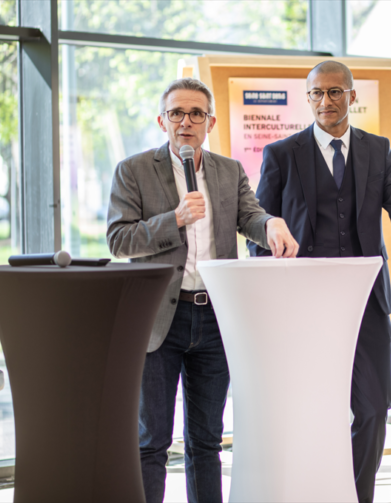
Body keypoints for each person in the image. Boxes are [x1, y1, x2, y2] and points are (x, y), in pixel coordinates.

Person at [248, 60, 391, 503]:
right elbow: (259, 228)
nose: (325, 101)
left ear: (351, 96)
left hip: (366, 301)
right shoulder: (283, 154)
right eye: (316, 94)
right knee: (311, 411)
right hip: (303, 303)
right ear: (308, 99)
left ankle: (355, 495)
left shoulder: (377, 150)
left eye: (334, 92)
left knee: (372, 407)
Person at [107, 77, 298, 503]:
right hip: (159, 320)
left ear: (210, 121)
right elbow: (118, 240)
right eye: (177, 113)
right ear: (163, 120)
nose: (186, 122)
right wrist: (173, 218)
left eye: (196, 113)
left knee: (206, 441)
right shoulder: (133, 170)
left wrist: (270, 225)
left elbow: (250, 216)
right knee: (151, 440)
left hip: (215, 317)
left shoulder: (228, 171)